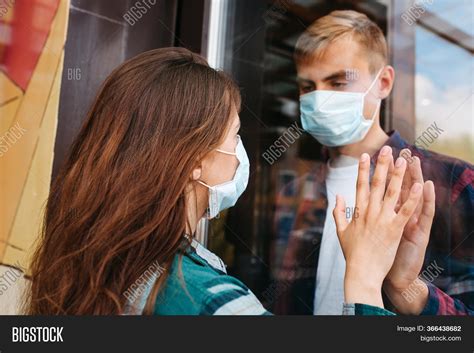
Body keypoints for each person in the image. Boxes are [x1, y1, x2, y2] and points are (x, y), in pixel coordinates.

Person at [27, 47, 425, 315]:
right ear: (193, 161)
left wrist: (408, 288)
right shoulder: (215, 303)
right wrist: (365, 281)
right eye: (234, 135)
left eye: (338, 81)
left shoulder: (93, 265)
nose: (240, 150)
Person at [274, 10, 473, 315]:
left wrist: (410, 290)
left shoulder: (453, 182)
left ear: (383, 82)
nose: (319, 98)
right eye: (308, 87)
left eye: (338, 82)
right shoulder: (294, 192)